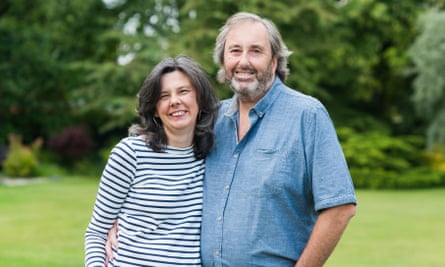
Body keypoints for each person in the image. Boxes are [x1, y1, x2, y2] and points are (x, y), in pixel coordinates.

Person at [107, 11, 357, 267]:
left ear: (274, 61)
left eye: (256, 51)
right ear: (223, 61)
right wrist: (118, 220)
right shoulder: (211, 120)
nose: (243, 61)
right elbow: (167, 162)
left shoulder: (307, 115)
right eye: (235, 51)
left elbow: (340, 208)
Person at [84, 55, 219, 267]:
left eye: (183, 91)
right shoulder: (130, 154)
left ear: (200, 99)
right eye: (164, 96)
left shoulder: (213, 156)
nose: (175, 101)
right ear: (155, 109)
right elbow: (97, 232)